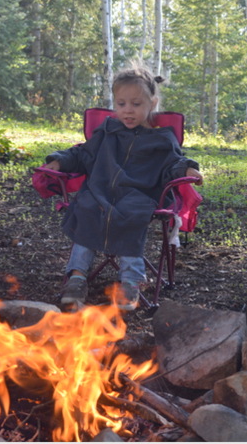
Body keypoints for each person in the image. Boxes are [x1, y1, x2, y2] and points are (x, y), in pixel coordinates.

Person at [43, 65, 203, 311]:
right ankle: (76, 277)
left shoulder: (162, 139)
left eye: (136, 104)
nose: (128, 110)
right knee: (86, 206)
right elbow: (83, 154)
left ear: (152, 103)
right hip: (100, 191)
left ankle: (130, 281)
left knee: (132, 213)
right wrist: (60, 161)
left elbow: (173, 163)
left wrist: (186, 169)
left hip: (140, 195)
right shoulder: (107, 131)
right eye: (121, 104)